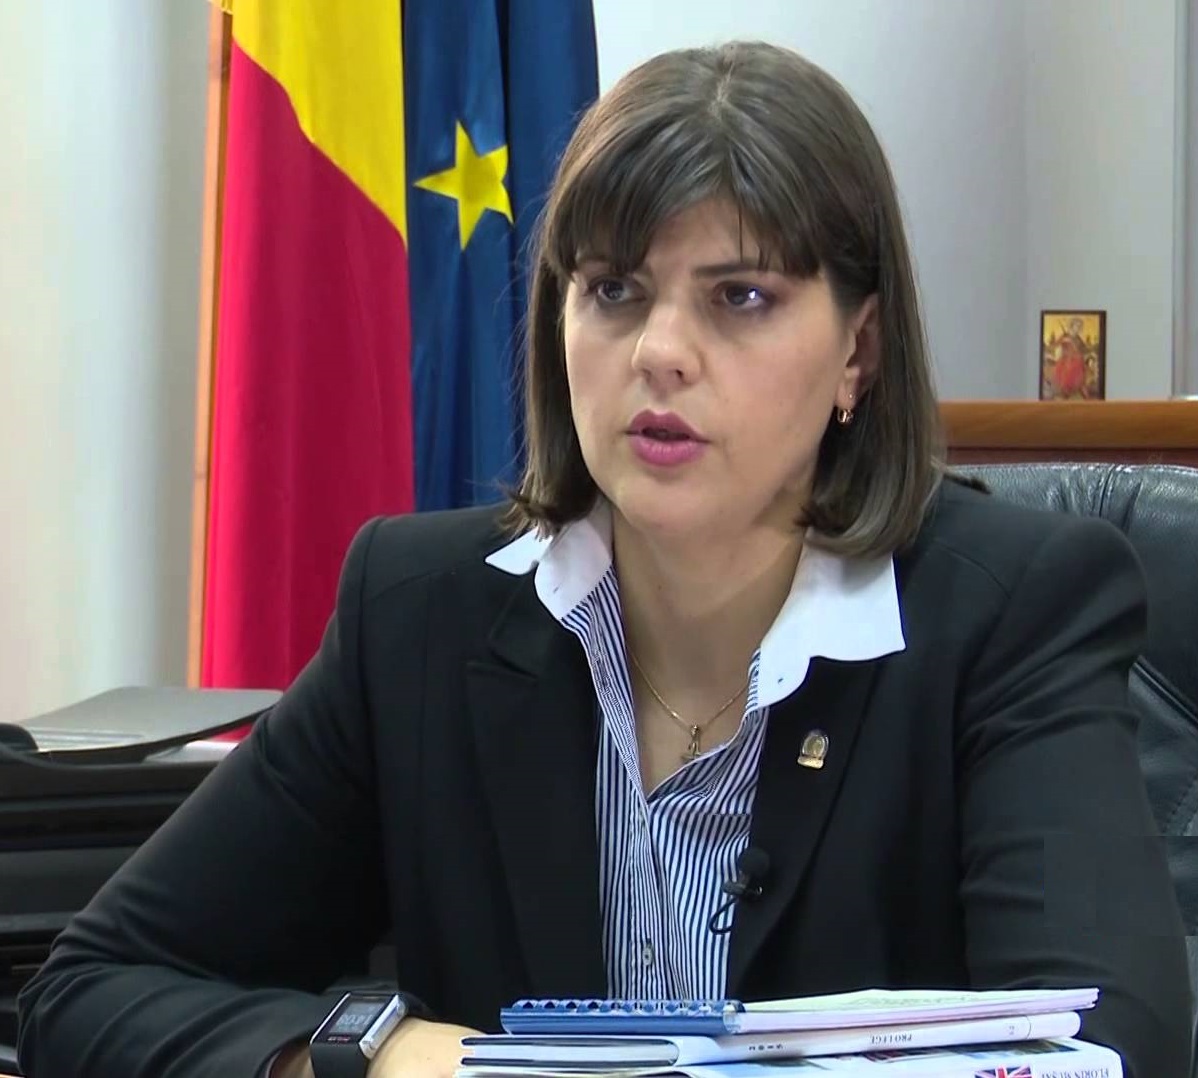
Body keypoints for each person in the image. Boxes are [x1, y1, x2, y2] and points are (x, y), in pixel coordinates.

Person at [17, 39, 1191, 1078]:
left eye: (740, 297)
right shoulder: (417, 616)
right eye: (614, 291)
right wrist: (376, 1053)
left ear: (859, 353)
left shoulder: (1012, 614)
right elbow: (95, 986)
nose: (660, 352)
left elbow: (1110, 1048)